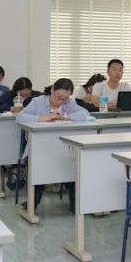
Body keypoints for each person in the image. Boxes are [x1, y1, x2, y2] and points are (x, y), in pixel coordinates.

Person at [16, 78, 93, 211]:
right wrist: (43, 118)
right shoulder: (38, 102)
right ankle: (34, 201)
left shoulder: (69, 103)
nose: (61, 101)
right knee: (40, 166)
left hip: (63, 149)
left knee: (72, 164)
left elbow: (85, 114)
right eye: (59, 97)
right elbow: (20, 117)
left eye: (65, 99)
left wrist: (65, 116)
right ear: (52, 89)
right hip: (40, 148)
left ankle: (75, 203)